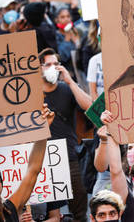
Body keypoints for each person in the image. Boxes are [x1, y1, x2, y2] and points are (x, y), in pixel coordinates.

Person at [40, 48, 92, 222]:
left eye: (56, 64)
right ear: (39, 68)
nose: (53, 67)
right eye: (48, 64)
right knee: (51, 213)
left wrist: (70, 82)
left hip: (69, 157)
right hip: (43, 160)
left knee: (79, 207)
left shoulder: (66, 89)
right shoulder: (32, 94)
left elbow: (89, 106)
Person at [55, 8, 82, 73]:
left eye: (68, 16)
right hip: (68, 72)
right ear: (57, 20)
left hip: (80, 72)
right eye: (62, 17)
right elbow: (62, 57)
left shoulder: (77, 31)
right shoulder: (56, 36)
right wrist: (67, 39)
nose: (66, 19)